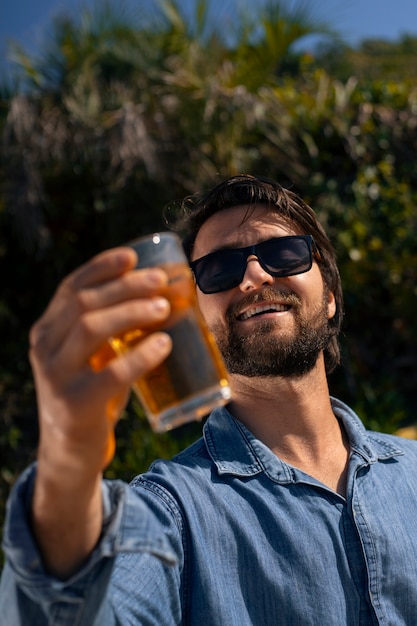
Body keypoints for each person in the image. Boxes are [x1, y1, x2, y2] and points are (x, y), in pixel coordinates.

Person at [1, 174, 417, 625]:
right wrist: (68, 460)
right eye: (220, 270)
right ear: (195, 314)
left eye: (283, 254)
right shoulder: (169, 511)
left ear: (331, 295)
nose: (255, 277)